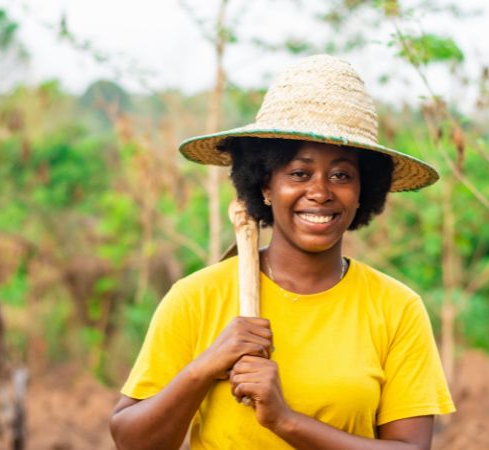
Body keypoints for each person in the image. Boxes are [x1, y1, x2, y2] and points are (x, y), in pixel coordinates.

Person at [110, 54, 455, 450]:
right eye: (299, 173)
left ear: (363, 192)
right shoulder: (197, 297)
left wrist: (286, 421)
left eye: (342, 175)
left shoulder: (396, 308)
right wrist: (205, 367)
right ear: (265, 185)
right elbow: (131, 440)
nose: (321, 191)